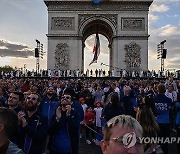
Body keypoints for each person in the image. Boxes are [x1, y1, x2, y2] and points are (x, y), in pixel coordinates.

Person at [154, 83, 172, 154]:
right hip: (166, 122)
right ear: (165, 90)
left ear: (157, 90)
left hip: (157, 122)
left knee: (158, 142)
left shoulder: (153, 99)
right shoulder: (168, 100)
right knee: (165, 141)